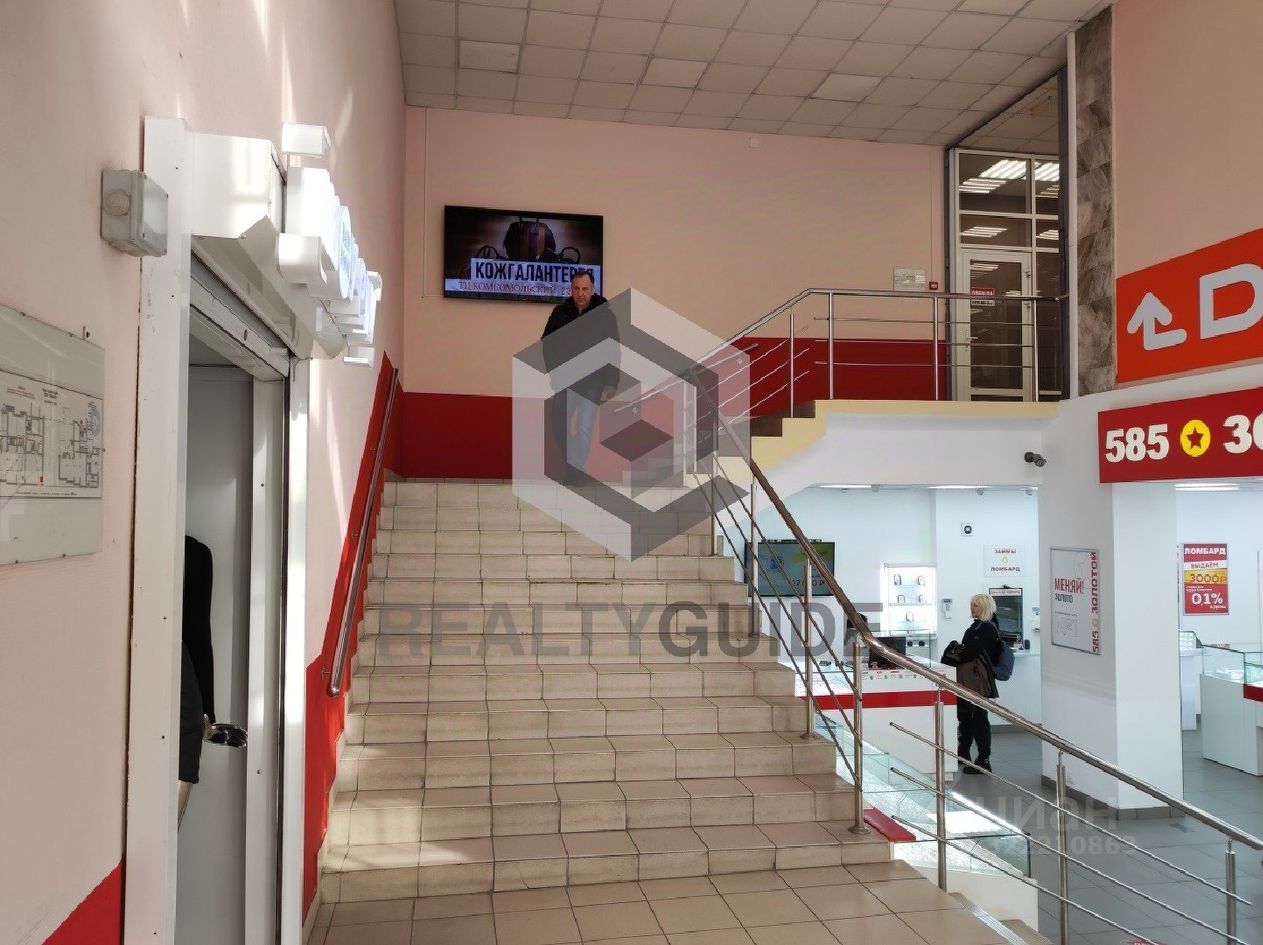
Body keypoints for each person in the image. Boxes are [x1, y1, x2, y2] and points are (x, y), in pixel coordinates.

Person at [539, 269, 618, 482]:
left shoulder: (605, 315)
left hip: (593, 382)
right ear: (571, 289)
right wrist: (553, 371)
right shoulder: (560, 313)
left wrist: (612, 382)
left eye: (585, 289)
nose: (580, 294)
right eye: (576, 289)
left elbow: (613, 350)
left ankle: (575, 472)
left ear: (592, 290)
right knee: (559, 425)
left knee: (584, 428)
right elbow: (547, 343)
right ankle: (573, 464)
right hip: (565, 380)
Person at [953, 592, 1003, 774]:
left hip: (978, 680)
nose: (971, 608)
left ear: (985, 607)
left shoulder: (987, 628)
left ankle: (983, 760)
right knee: (965, 715)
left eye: (975, 605)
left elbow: (969, 652)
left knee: (978, 717)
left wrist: (956, 650)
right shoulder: (976, 626)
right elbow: (965, 650)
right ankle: (963, 752)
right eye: (971, 604)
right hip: (968, 678)